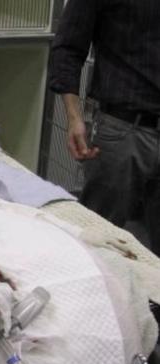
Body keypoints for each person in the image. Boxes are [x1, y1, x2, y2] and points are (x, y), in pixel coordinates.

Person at [48, 0, 160, 256]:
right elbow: (68, 48)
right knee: (98, 240)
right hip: (122, 128)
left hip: (129, 127)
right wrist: (74, 118)